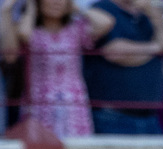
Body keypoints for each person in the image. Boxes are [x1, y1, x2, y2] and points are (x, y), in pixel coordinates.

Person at [1, 0, 114, 138]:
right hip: (40, 102)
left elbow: (106, 22)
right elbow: (23, 37)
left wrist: (74, 8)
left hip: (73, 103)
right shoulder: (30, 29)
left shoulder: (76, 28)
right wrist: (30, 6)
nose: (56, 2)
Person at [80, 0, 163, 135]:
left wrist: (153, 13)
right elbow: (115, 52)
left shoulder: (148, 14)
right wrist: (156, 47)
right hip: (112, 117)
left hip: (150, 118)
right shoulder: (102, 9)